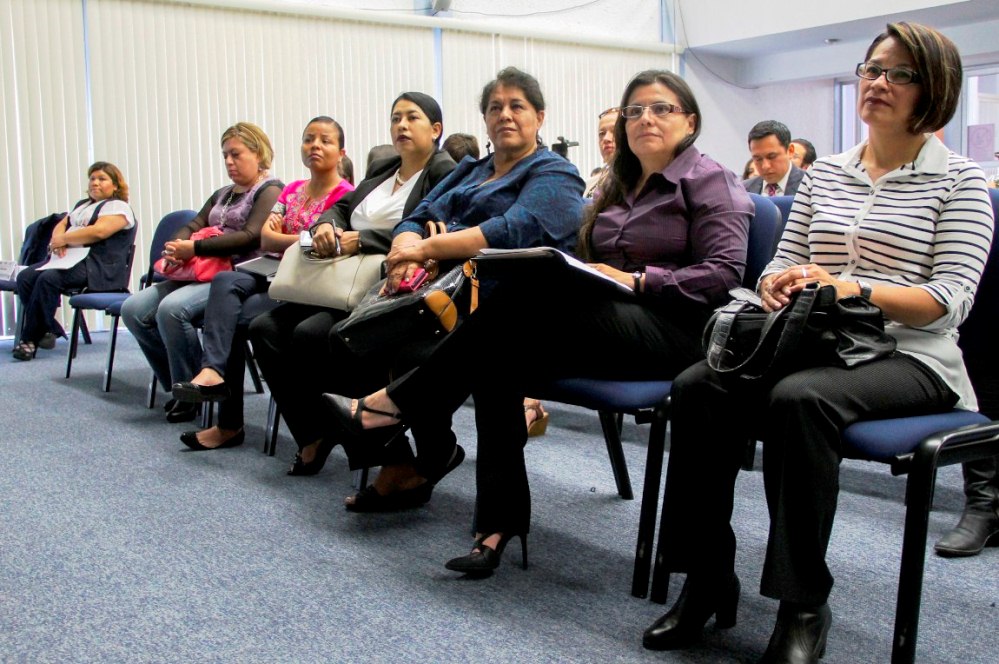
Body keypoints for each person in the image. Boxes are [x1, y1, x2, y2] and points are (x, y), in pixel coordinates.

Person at [643, 23, 994, 663]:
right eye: (872, 69)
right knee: (697, 386)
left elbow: (949, 301)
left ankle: (803, 603)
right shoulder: (827, 172)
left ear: (935, 90)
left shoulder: (961, 181)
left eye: (900, 74)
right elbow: (783, 261)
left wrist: (852, 287)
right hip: (816, 341)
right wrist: (777, 283)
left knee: (801, 400)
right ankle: (707, 576)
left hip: (913, 354)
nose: (878, 82)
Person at [324, 68, 752, 570]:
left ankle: (392, 405)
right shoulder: (618, 185)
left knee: (507, 310)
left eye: (662, 109)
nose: (645, 119)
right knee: (497, 357)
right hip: (606, 321)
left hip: (677, 330)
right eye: (634, 111)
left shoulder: (710, 180)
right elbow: (582, 255)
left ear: (691, 122)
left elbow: (724, 275)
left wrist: (637, 281)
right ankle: (497, 525)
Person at [248, 92, 456, 475]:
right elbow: (341, 208)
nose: (401, 125)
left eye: (412, 117)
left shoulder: (444, 172)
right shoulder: (385, 169)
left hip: (387, 289)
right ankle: (313, 434)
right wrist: (326, 226)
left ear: (435, 129)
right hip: (340, 281)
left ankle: (387, 457)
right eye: (395, 118)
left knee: (314, 335)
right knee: (264, 329)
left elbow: (434, 229)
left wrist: (363, 240)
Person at [169, 117, 354, 450]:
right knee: (225, 281)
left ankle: (229, 424)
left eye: (325, 140)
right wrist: (300, 238)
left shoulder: (346, 196)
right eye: (308, 139)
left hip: (309, 282)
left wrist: (288, 238)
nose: (314, 146)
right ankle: (213, 375)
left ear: (341, 152)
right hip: (271, 270)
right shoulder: (292, 190)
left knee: (233, 322)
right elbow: (266, 239)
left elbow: (323, 246)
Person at [121, 122, 282, 423]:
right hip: (200, 270)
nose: (229, 162)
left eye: (236, 154)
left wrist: (193, 248)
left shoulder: (270, 190)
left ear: (258, 154)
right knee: (133, 310)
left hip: (234, 276)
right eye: (225, 156)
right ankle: (183, 384)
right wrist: (175, 245)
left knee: (172, 310)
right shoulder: (223, 193)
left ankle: (189, 394)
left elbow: (250, 237)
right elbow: (194, 224)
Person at [13, 162, 136, 361]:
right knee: (26, 277)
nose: (95, 182)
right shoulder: (82, 205)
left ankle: (28, 340)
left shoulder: (118, 207)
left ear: (115, 185)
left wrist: (65, 239)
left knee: (48, 278)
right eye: (92, 178)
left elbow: (99, 232)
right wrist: (57, 239)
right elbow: (62, 224)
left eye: (102, 179)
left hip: (98, 268)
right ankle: (48, 328)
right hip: (69, 261)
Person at [743, 120, 805, 197]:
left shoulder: (811, 186)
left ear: (790, 151)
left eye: (772, 157)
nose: (765, 166)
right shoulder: (742, 191)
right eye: (758, 159)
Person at [583, 106, 618, 197]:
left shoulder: (642, 182)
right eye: (602, 134)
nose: (606, 138)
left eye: (615, 131)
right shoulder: (588, 185)